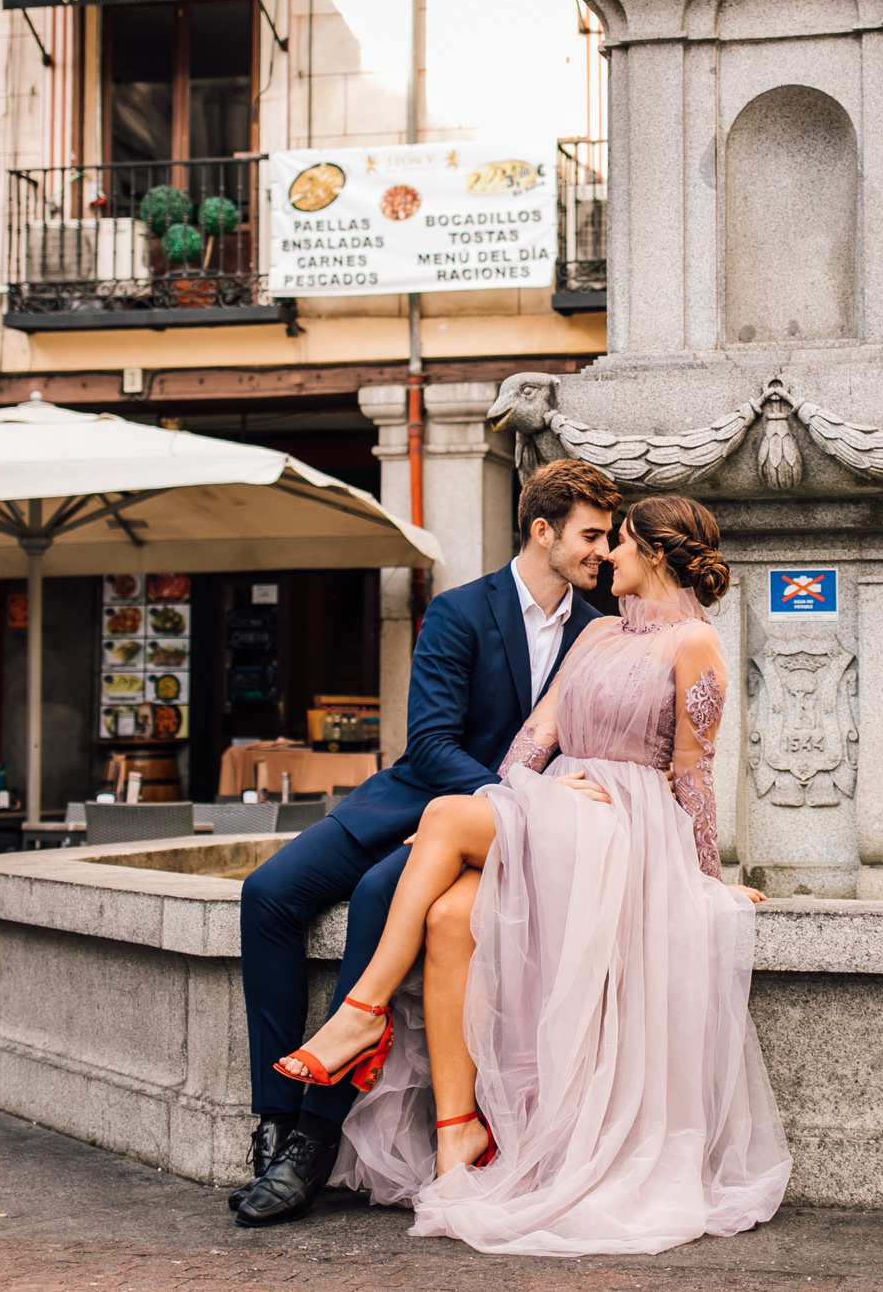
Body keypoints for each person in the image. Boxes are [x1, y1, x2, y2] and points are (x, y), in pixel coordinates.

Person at [290, 494, 792, 1256]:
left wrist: (702, 878)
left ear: (654, 554)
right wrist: (528, 800)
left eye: (618, 543)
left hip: (628, 828)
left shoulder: (696, 644)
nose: (605, 557)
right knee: (449, 917)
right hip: (565, 809)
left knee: (444, 819)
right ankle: (456, 1134)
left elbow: (694, 776)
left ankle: (362, 1009)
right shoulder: (592, 635)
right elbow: (531, 744)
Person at [228, 458, 623, 1228]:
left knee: (380, 899)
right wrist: (510, 798)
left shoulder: (595, 630)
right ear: (542, 531)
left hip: (485, 830)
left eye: (607, 539)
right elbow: (432, 740)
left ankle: (313, 1138)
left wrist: (520, 814)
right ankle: (274, 1117)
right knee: (267, 894)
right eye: (591, 535)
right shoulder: (459, 610)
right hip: (413, 797)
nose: (603, 552)